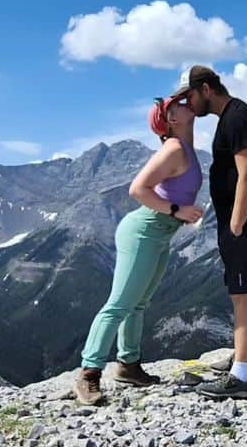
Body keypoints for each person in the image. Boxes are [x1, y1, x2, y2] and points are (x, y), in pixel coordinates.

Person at [75, 96, 203, 405]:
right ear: (172, 120)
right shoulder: (173, 149)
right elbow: (138, 189)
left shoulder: (184, 148)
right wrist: (176, 210)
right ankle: (88, 374)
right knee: (119, 304)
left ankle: (128, 366)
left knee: (139, 303)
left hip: (157, 235)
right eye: (179, 105)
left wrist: (176, 214)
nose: (187, 104)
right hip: (143, 232)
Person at [171, 65, 247, 400]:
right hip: (241, 219)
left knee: (244, 293)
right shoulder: (231, 116)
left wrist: (237, 221)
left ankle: (240, 377)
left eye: (189, 96)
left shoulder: (238, 118)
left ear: (205, 89)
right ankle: (244, 355)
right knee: (239, 289)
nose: (188, 104)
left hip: (245, 219)